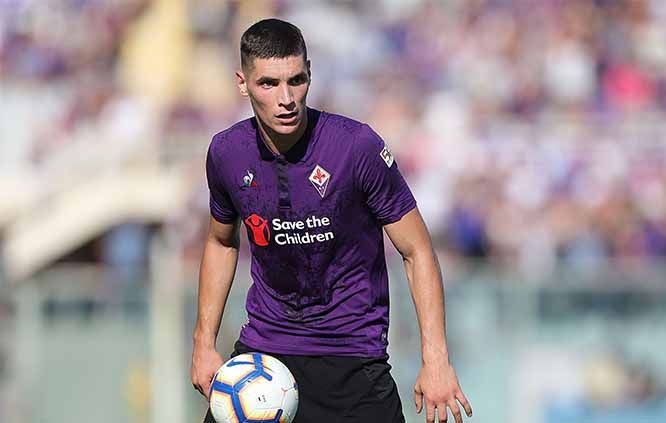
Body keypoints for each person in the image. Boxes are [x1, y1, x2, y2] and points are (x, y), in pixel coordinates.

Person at [191, 18, 472, 423]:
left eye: (296, 80)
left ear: (310, 75)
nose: (286, 98)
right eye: (268, 83)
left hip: (353, 363)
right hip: (264, 360)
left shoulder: (356, 148)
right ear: (242, 83)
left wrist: (436, 360)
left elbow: (417, 249)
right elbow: (221, 241)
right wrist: (204, 343)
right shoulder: (226, 153)